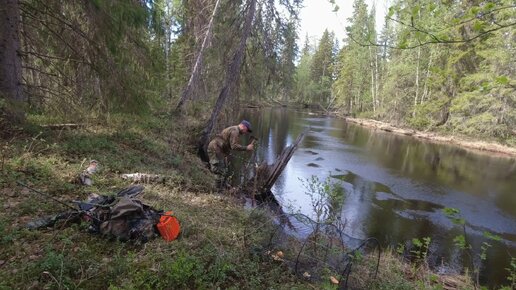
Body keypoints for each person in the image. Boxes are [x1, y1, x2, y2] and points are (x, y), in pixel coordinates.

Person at [207, 120, 255, 189]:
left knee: (224, 169)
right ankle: (216, 191)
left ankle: (223, 186)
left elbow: (228, 143)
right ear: (243, 126)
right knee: (218, 170)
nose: (246, 132)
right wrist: (246, 148)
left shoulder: (235, 129)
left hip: (220, 150)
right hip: (215, 149)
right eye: (246, 130)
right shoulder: (235, 131)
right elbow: (234, 146)